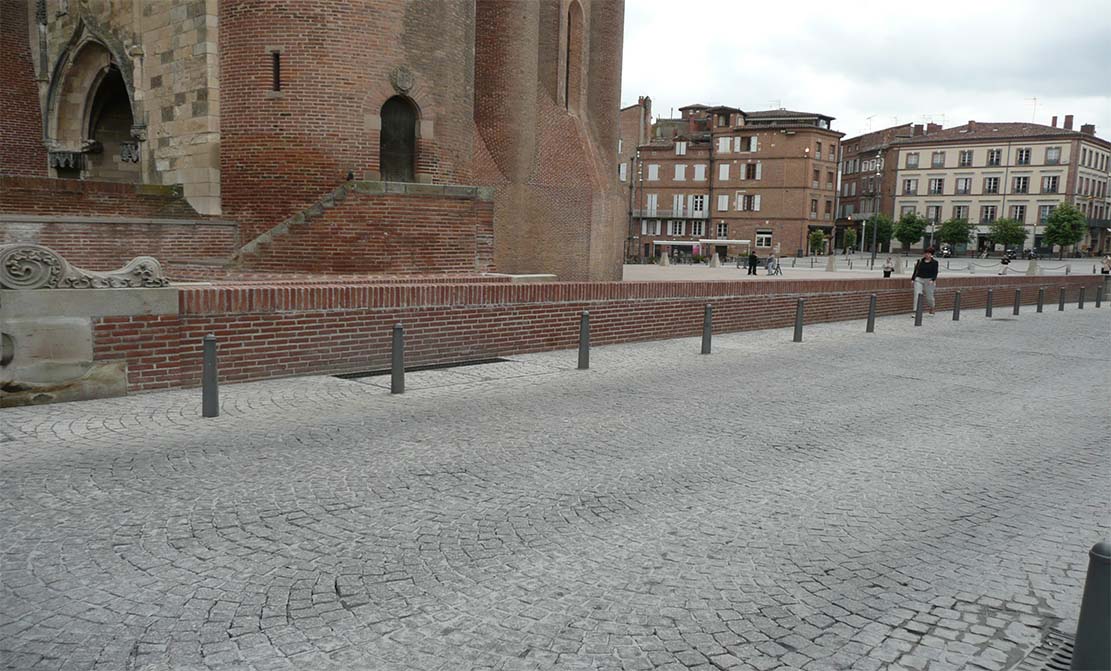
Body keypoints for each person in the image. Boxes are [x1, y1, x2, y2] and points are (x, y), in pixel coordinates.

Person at [911, 247, 939, 315]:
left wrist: (932, 280)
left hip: (929, 280)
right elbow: (916, 271)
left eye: (928, 253)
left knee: (929, 297)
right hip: (919, 279)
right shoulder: (920, 261)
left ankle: (932, 307)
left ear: (931, 254)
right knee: (917, 295)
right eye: (925, 253)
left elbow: (935, 272)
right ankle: (916, 311)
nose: (926, 255)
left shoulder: (935, 262)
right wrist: (913, 279)